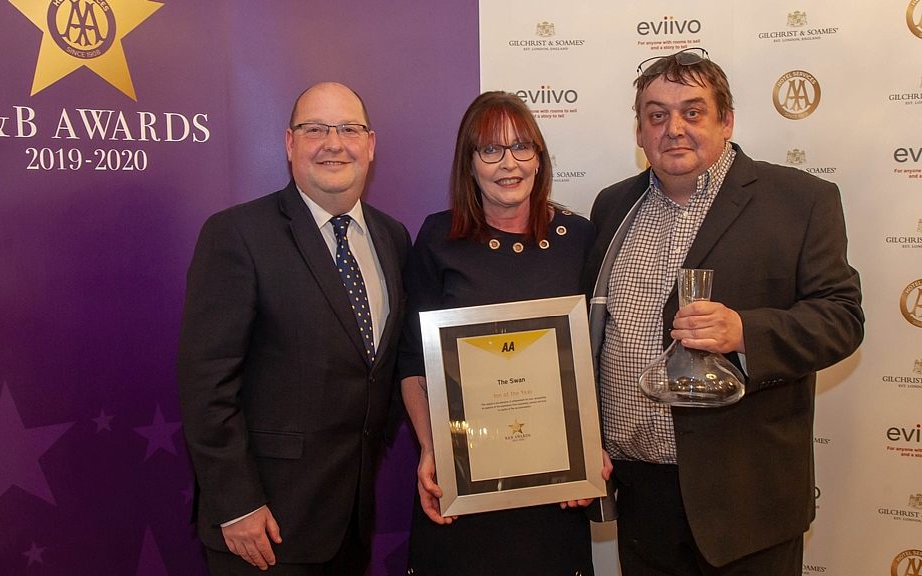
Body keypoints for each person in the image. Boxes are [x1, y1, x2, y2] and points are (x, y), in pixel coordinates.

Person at [588, 48, 864, 575]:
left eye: (692, 112)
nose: (674, 129)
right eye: (656, 115)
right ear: (640, 131)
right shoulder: (612, 205)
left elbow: (843, 318)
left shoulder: (800, 200)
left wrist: (745, 332)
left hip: (745, 499)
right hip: (642, 494)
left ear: (727, 120)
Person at [176, 81, 410, 575]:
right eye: (315, 129)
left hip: (349, 525)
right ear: (289, 143)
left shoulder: (393, 238)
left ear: (370, 144)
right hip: (263, 531)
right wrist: (237, 504)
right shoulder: (237, 235)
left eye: (349, 128)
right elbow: (206, 384)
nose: (333, 143)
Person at [398, 91, 600, 576]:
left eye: (522, 147)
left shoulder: (579, 239)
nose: (508, 164)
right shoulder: (438, 237)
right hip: (463, 479)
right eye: (490, 150)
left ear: (539, 157)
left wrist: (588, 449)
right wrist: (432, 450)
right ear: (469, 163)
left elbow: (597, 358)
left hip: (556, 488)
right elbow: (411, 360)